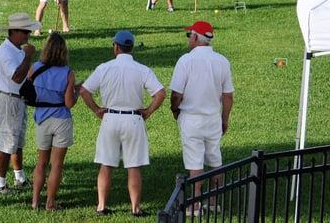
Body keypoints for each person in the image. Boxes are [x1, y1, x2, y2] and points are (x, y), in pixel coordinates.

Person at [80, 31, 166, 217]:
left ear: (116, 47)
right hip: (134, 119)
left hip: (110, 118)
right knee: (134, 166)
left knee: (106, 164)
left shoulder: (104, 68)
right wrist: (148, 111)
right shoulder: (142, 69)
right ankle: (135, 208)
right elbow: (160, 93)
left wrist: (96, 109)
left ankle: (102, 205)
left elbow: (85, 91)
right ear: (131, 47)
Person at [169, 21, 234, 216]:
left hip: (191, 117)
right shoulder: (222, 61)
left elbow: (176, 94)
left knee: (194, 161)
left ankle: (195, 204)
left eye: (190, 34)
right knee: (215, 158)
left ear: (196, 37)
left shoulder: (186, 61)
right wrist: (224, 119)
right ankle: (213, 202)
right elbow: (228, 96)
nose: (189, 38)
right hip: (213, 117)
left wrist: (175, 110)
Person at [0, 13, 41, 194]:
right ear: (14, 32)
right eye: (25, 32)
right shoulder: (6, 52)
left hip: (18, 99)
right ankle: (0, 183)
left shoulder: (16, 49)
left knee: (17, 141)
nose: (27, 36)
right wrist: (28, 56)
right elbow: (17, 76)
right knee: (7, 141)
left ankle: (19, 177)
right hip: (9, 100)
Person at [30, 32, 78, 211]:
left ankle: (35, 200)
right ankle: (50, 202)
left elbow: (29, 89)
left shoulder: (35, 68)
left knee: (41, 162)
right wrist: (77, 92)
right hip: (61, 119)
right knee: (56, 164)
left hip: (42, 118)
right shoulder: (68, 73)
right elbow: (69, 103)